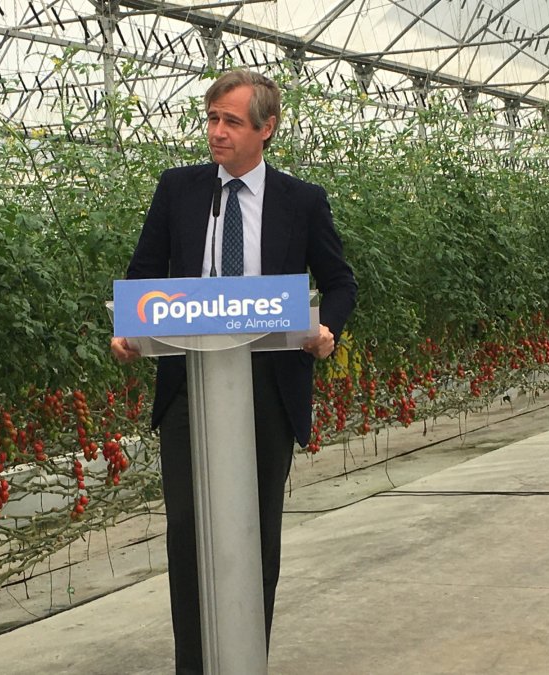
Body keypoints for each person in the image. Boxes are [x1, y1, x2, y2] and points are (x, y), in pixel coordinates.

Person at [110, 68, 357, 674]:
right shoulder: (181, 190)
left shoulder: (302, 201)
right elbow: (144, 272)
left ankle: (247, 656)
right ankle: (193, 665)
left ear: (267, 129)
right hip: (189, 381)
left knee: (254, 529)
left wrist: (328, 331)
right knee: (189, 532)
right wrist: (130, 327)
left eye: (232, 122)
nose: (217, 133)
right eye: (212, 119)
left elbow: (341, 281)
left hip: (269, 384)